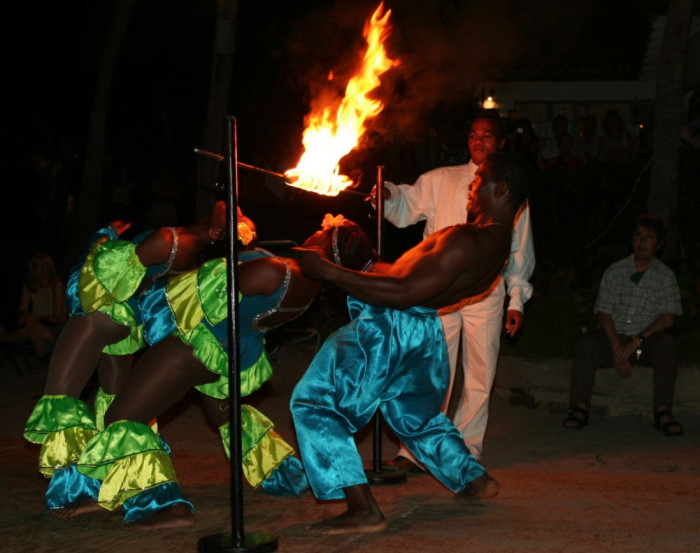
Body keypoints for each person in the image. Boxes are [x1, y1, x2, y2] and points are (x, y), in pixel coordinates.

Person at [43, 214, 378, 530]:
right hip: (234, 355)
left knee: (123, 417)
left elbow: (195, 291)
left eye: (322, 230)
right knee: (225, 417)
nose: (315, 229)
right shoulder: (308, 284)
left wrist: (152, 274)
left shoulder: (275, 270)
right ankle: (281, 473)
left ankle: (163, 504)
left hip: (197, 350)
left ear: (328, 244)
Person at [292, 151, 535, 535]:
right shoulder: (497, 244)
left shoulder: (465, 240)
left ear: (500, 189)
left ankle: (363, 510)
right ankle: (473, 479)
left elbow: (404, 291)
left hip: (392, 326)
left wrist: (329, 271)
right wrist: (365, 261)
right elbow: (418, 280)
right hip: (424, 331)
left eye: (479, 179)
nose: (471, 184)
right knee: (416, 418)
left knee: (315, 401)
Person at [23, 201, 238, 481]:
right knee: (116, 409)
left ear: (215, 232)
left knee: (59, 401)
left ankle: (73, 488)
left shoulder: (169, 241)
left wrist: (103, 237)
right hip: (125, 327)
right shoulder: (189, 257)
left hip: (101, 316)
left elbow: (101, 274)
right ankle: (118, 477)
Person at [371, 109, 535, 465]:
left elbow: (521, 249)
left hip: (486, 292)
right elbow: (405, 204)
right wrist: (386, 194)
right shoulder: (441, 178)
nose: (479, 141)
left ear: (501, 142)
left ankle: (465, 448)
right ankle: (417, 448)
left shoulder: (509, 189)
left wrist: (517, 299)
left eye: (487, 135)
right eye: (474, 134)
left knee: (480, 372)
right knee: (434, 370)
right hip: (441, 292)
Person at [563, 214, 684, 436]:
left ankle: (663, 410)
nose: (642, 242)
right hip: (614, 337)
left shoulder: (665, 276)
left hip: (645, 342)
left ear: (658, 244)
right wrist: (617, 347)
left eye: (649, 237)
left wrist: (637, 342)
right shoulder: (615, 271)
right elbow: (603, 311)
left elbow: (668, 318)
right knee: (586, 344)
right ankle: (579, 407)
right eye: (638, 235)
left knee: (667, 344)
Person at [3, 252, 68, 357]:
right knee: (25, 322)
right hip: (37, 324)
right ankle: (33, 336)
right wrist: (27, 317)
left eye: (46, 266)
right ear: (33, 268)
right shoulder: (30, 285)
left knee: (32, 325)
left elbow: (57, 318)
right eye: (39, 266)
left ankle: (34, 335)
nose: (43, 270)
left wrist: (34, 318)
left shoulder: (56, 284)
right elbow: (22, 310)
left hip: (54, 325)